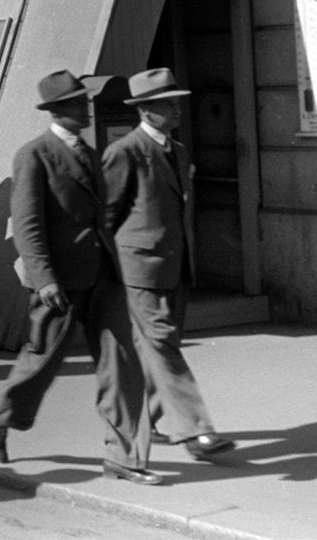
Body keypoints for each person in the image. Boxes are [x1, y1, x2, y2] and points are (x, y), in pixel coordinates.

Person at [0, 70, 154, 484]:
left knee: (121, 363)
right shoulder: (34, 155)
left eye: (85, 101)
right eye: (78, 103)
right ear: (58, 110)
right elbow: (27, 224)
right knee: (42, 362)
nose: (86, 108)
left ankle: (122, 455)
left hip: (103, 276)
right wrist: (44, 279)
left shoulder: (92, 153)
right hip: (59, 280)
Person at [105, 68, 236, 463]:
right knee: (162, 344)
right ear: (145, 111)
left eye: (177, 102)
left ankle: (131, 424)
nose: (178, 110)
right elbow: (105, 218)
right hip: (139, 270)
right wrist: (113, 274)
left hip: (177, 267)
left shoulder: (178, 152)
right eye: (168, 104)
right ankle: (198, 431)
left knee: (161, 348)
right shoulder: (123, 152)